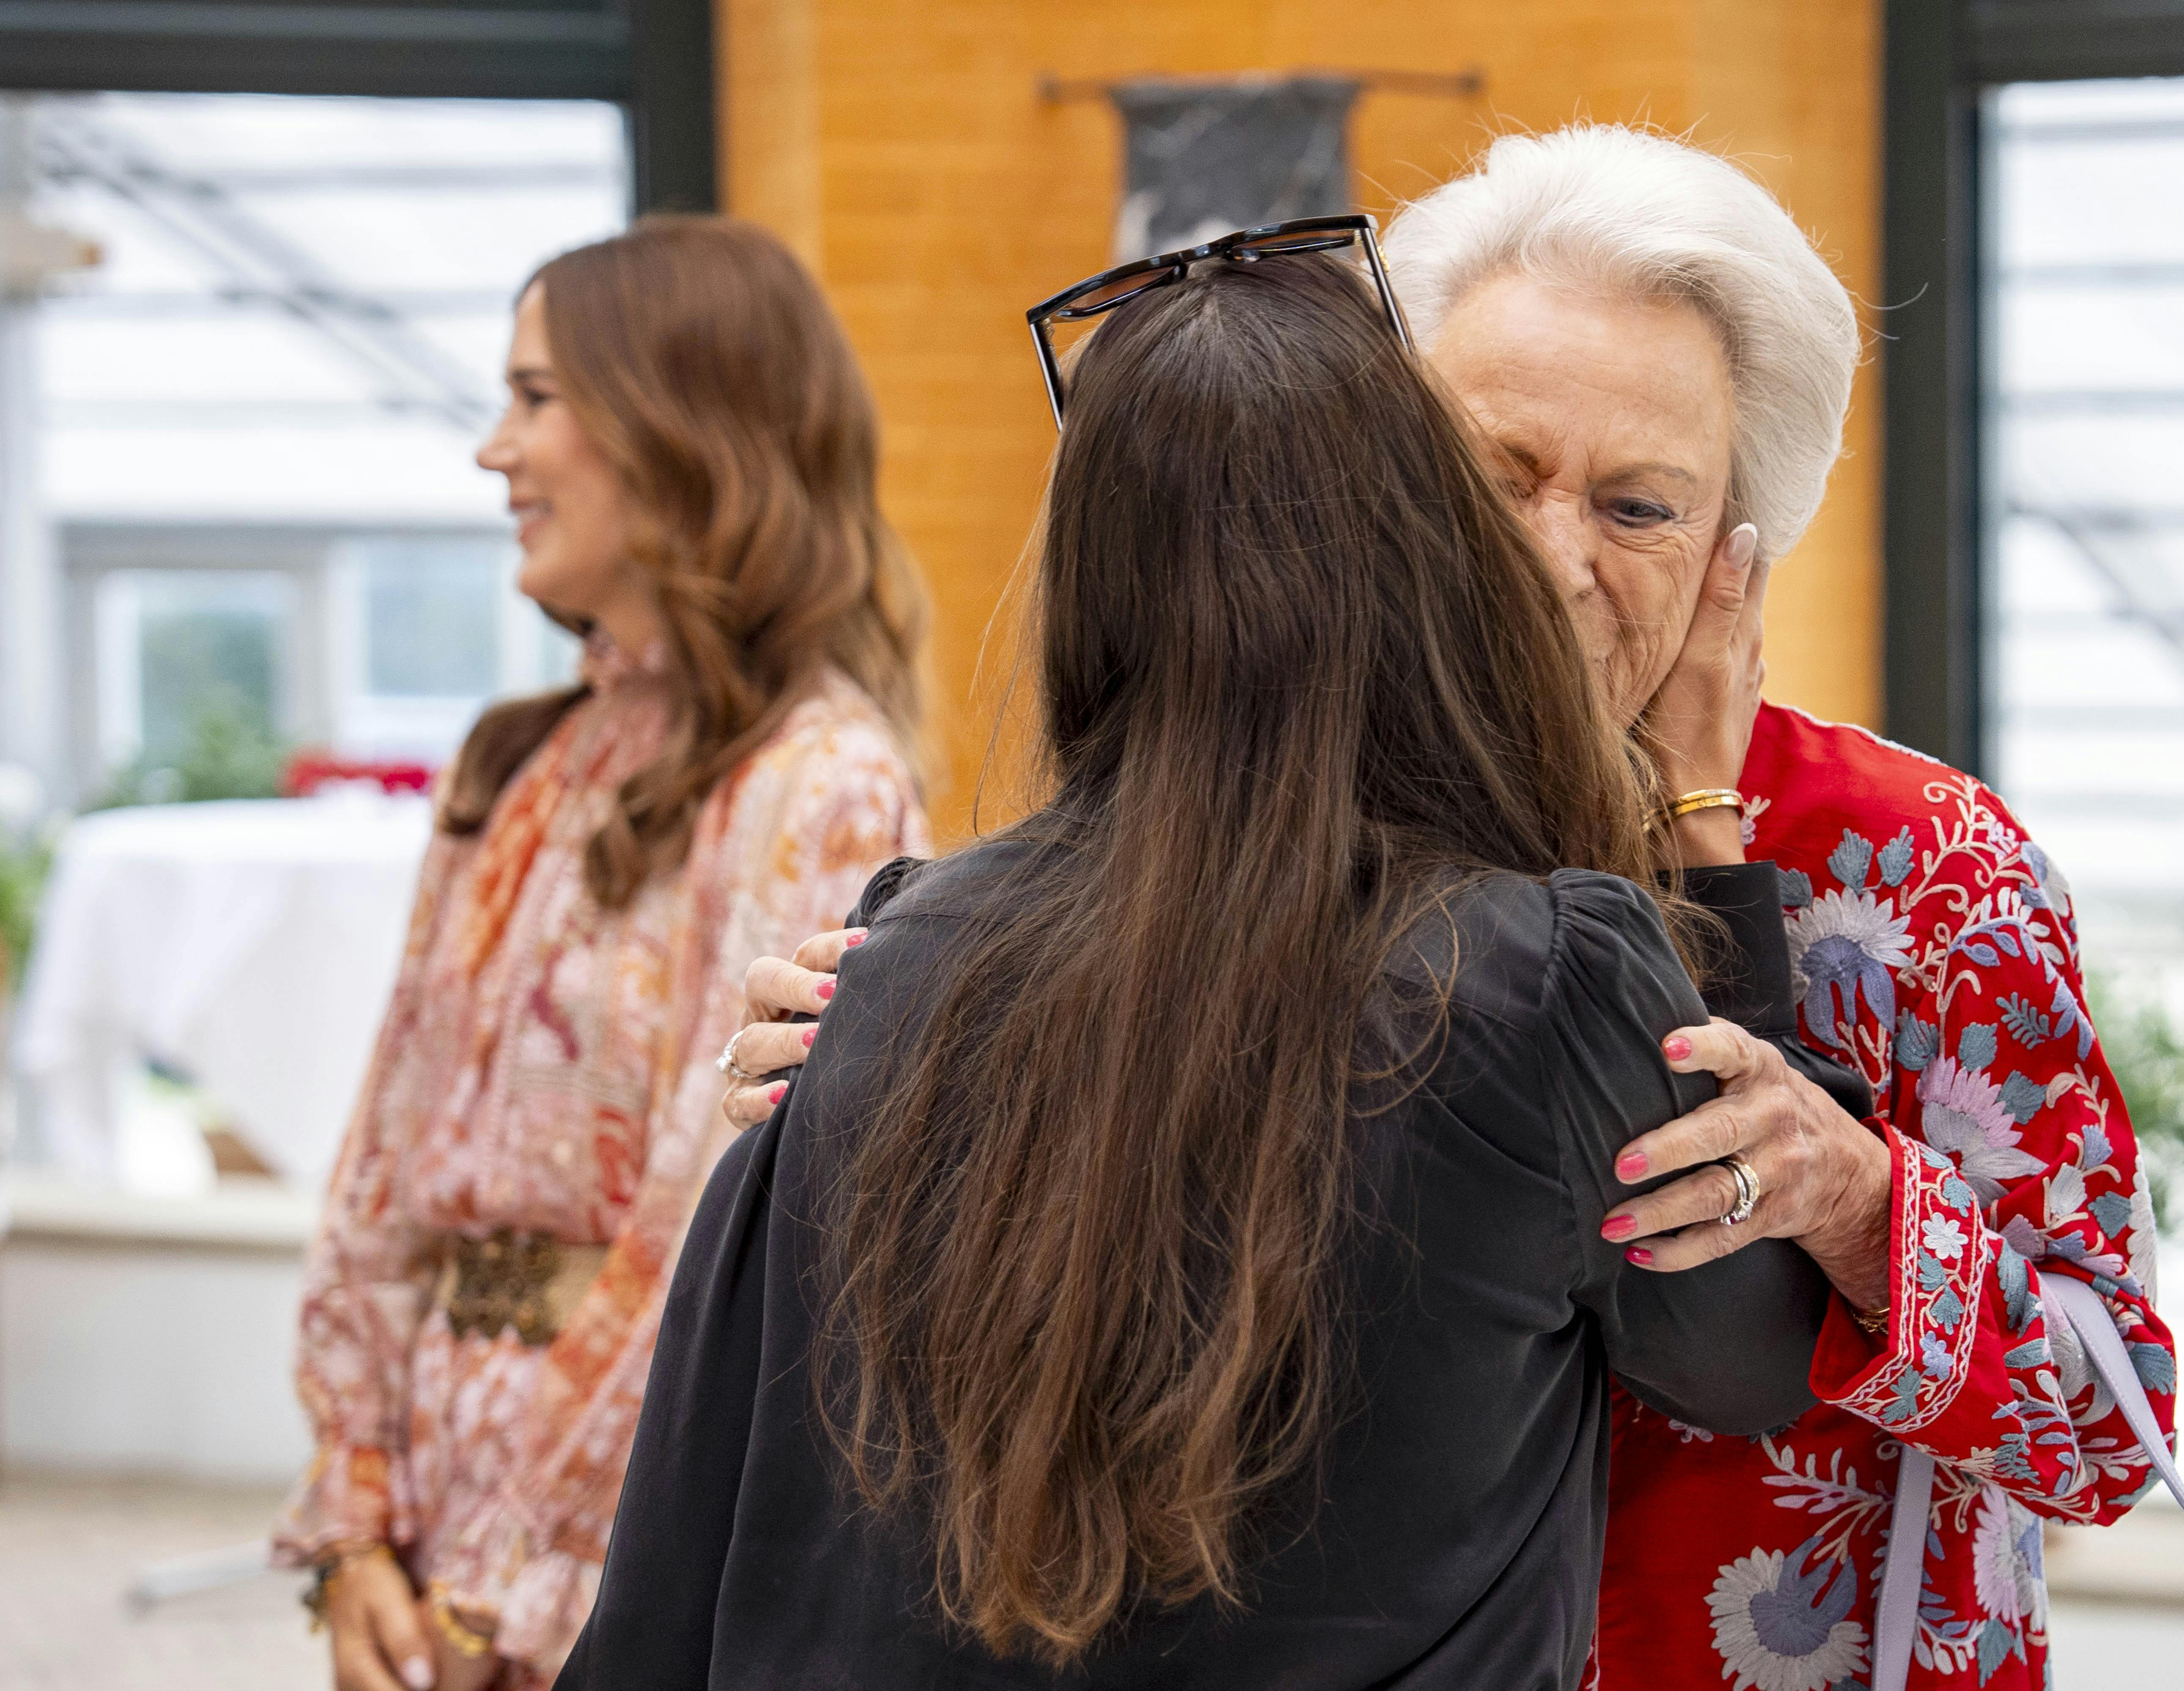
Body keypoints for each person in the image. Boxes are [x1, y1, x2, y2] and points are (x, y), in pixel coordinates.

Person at [723, 127, 2176, 1691]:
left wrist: (1855, 1204)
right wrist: (877, 1079)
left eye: (1641, 510)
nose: (1553, 564)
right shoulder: (1262, 848)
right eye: (1499, 479)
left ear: (1738, 552)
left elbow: (2113, 1430)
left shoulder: (1919, 866)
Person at [560, 248, 1851, 1691]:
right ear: (1433, 562)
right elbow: (1756, 1357)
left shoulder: (878, 967)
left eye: (1633, 503)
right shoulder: (1542, 985)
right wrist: (1702, 835)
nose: (1558, 559)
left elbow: (675, 1564)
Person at [273, 215, 930, 1691]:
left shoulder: (819, 781)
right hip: (432, 1523)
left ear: (681, 422)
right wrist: (357, 1527)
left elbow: (712, 1233)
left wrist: (497, 1593)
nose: (493, 453)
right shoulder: (515, 763)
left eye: (536, 398)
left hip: (614, 1551)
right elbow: (381, 1165)